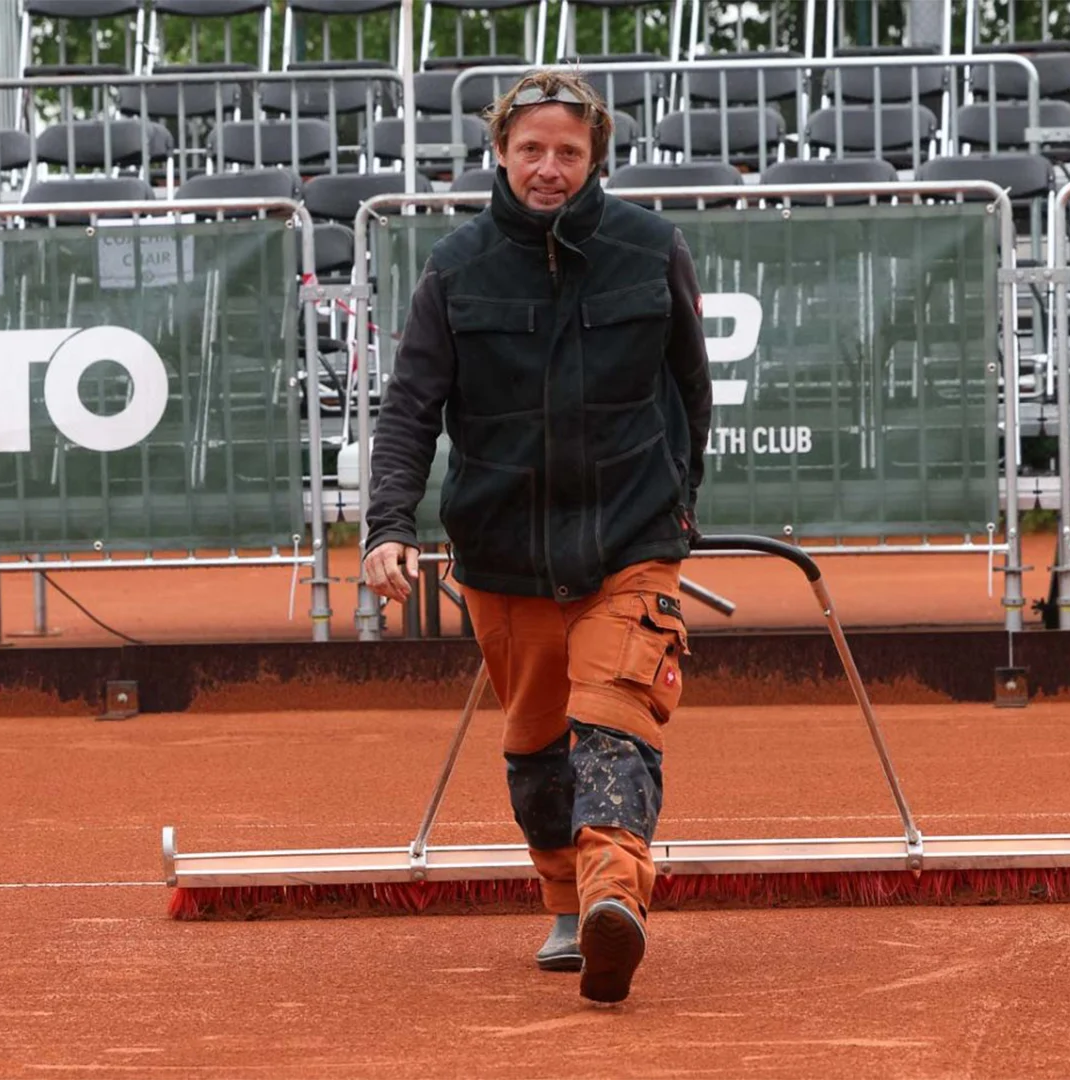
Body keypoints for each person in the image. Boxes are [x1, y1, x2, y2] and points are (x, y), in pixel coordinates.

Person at [360, 68, 712, 1006]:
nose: (548, 168)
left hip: (630, 538)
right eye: (531, 151)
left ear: (596, 155)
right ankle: (568, 900)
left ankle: (613, 901)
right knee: (537, 743)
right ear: (500, 153)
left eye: (568, 151)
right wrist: (387, 524)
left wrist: (679, 507)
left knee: (616, 718)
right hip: (504, 552)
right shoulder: (456, 267)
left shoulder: (651, 250)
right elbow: (410, 410)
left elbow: (690, 391)